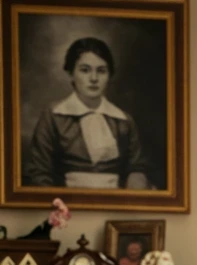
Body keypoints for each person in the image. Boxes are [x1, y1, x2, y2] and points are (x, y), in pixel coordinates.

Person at [26, 37, 149, 189]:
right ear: (71, 73)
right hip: (66, 206)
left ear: (109, 75)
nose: (93, 78)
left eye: (101, 71)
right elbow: (39, 172)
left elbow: (136, 167)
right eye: (85, 70)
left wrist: (134, 196)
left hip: (116, 207)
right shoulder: (54, 116)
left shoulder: (124, 121)